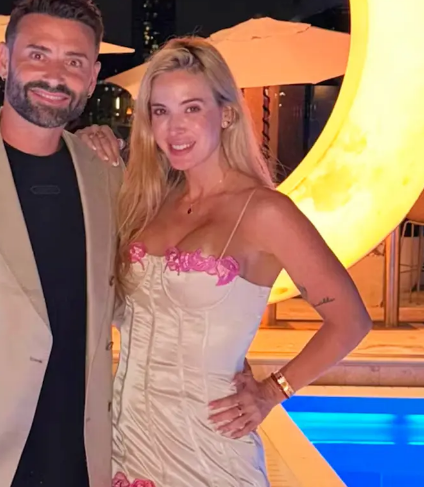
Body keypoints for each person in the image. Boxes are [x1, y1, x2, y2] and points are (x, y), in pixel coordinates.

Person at [0, 0, 255, 487]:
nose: (55, 74)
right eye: (38, 54)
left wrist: (232, 364)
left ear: (92, 76)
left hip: (81, 453)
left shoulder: (105, 173)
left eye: (74, 61)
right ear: (5, 60)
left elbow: (140, 299)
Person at [78, 38, 372, 486]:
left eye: (192, 108)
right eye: (161, 111)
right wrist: (85, 150)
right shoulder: (146, 202)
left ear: (227, 114)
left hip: (208, 447)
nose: (175, 127)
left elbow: (351, 321)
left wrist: (273, 391)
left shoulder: (265, 211)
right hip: (126, 442)